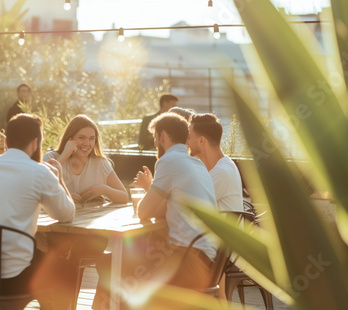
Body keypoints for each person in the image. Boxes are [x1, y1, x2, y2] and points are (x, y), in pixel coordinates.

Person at [93, 113, 217, 309]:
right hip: (210, 260)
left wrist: (148, 191)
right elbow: (161, 211)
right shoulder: (196, 163)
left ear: (162, 136)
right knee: (121, 263)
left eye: (154, 137)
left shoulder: (169, 161)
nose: (155, 143)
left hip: (189, 261)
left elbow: (143, 212)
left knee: (113, 265)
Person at [0, 113, 76, 309]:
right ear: (35, 143)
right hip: (14, 277)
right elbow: (66, 214)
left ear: (6, 141)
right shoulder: (39, 172)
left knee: (36, 255)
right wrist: (60, 179)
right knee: (66, 271)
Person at [43, 114, 128, 204]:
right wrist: (65, 154)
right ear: (70, 139)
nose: (87, 143)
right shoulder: (50, 158)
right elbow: (41, 186)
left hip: (90, 216)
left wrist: (105, 189)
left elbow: (124, 197)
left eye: (91, 139)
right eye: (81, 138)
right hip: (57, 217)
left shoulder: (100, 163)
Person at [187, 113, 243, 211]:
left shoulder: (221, 172)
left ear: (201, 141)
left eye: (189, 137)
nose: (186, 143)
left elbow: (187, 206)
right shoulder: (223, 165)